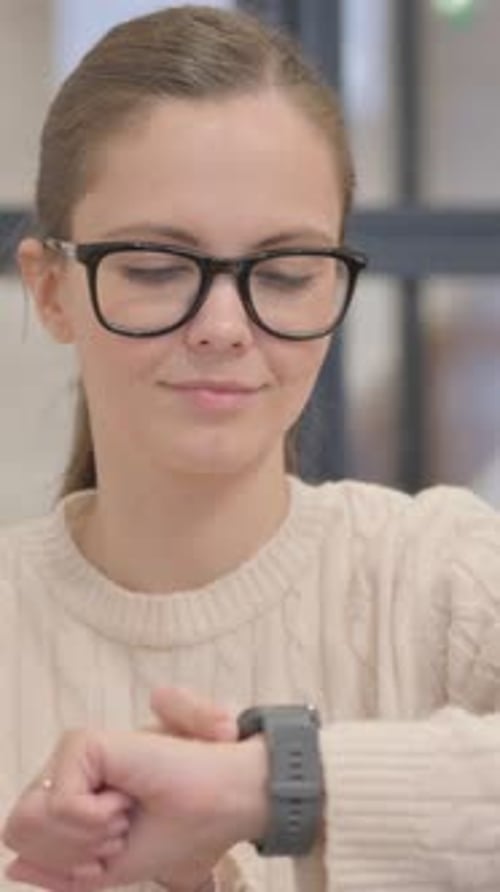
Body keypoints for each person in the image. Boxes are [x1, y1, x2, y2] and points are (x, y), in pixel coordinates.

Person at [1, 3, 500, 891]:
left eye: (285, 273)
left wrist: (272, 787)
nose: (225, 327)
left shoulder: (445, 585)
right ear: (50, 289)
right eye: (156, 268)